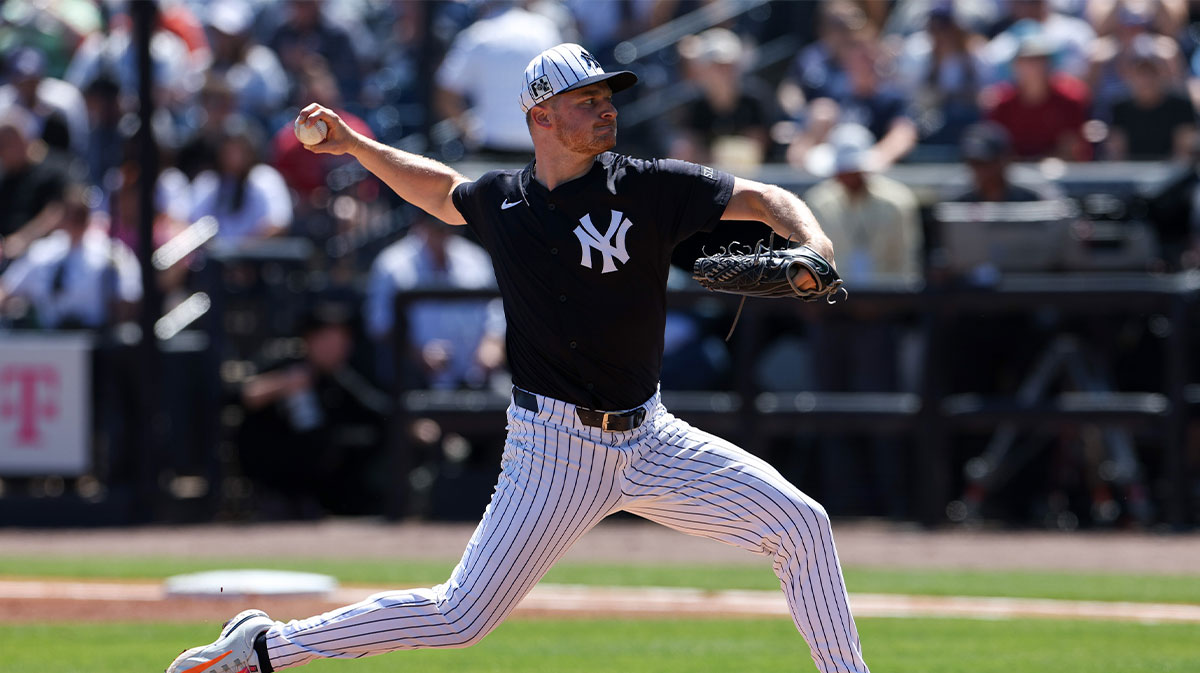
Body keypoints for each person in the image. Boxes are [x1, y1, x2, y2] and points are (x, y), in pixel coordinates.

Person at [167, 43, 870, 673]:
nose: (605, 111)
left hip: (651, 435)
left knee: (801, 525)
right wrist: (356, 146)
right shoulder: (506, 203)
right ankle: (264, 648)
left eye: (606, 99)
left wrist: (815, 245)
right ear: (541, 117)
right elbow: (438, 190)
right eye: (585, 101)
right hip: (553, 448)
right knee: (460, 616)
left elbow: (769, 198)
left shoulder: (647, 183)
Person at [364, 214, 505, 391]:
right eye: (436, 227)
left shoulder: (475, 258)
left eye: (448, 226)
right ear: (419, 224)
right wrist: (417, 353)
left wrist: (492, 343)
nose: (443, 233)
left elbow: (496, 309)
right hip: (416, 379)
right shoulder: (392, 264)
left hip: (476, 376)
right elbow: (379, 324)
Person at [0, 183, 141, 329]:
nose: (74, 219)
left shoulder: (112, 253)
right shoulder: (43, 253)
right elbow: (6, 289)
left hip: (94, 338)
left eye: (80, 213)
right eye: (69, 213)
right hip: (50, 340)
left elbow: (130, 300)